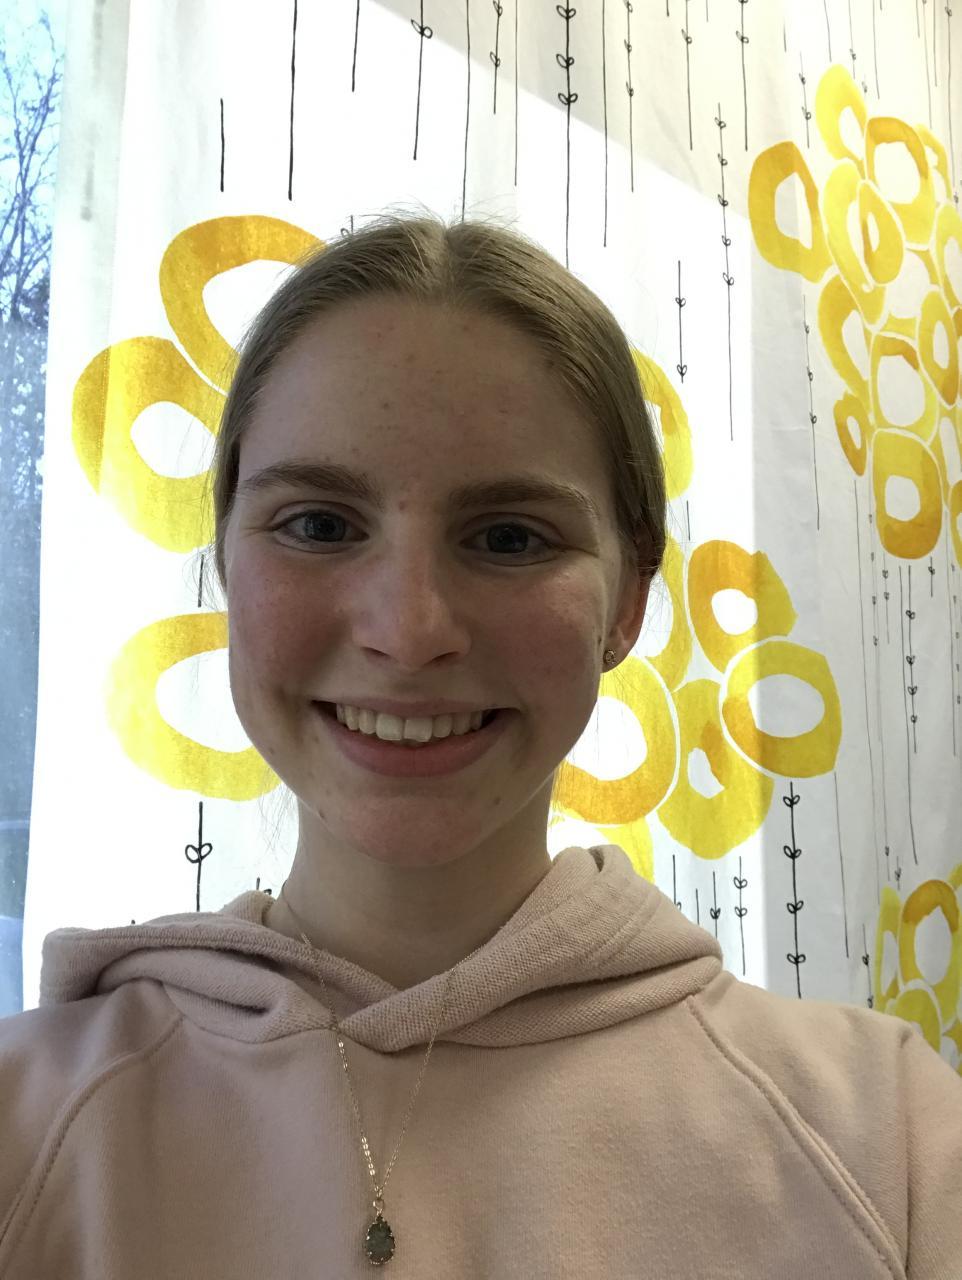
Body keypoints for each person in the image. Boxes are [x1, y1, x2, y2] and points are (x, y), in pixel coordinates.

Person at [1, 210, 959, 1278]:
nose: (408, 631)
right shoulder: (25, 1127)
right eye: (319, 524)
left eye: (508, 537)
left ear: (627, 603)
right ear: (227, 561)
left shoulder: (890, 1141)